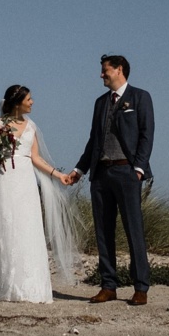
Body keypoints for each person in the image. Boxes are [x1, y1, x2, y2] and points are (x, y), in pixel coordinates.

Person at [65, 55, 155, 306]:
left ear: (119, 70)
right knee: (103, 232)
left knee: (133, 230)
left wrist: (138, 168)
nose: (101, 75)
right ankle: (108, 285)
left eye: (105, 71)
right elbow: (94, 140)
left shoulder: (140, 97)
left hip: (127, 172)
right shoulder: (100, 103)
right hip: (101, 175)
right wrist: (79, 170)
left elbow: (147, 134)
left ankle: (141, 288)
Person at [0, 85, 79, 302]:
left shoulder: (31, 127)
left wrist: (58, 175)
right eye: (29, 99)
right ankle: (8, 286)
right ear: (18, 102)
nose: (32, 102)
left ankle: (31, 288)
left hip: (25, 181)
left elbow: (36, 158)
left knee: (28, 229)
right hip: (5, 179)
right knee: (6, 227)